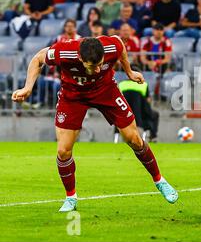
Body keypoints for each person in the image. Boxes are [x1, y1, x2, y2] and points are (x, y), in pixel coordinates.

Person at [12, 35, 179, 212]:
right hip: (73, 96)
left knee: (134, 138)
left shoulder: (110, 47)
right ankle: (71, 197)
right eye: (93, 66)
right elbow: (38, 58)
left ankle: (160, 180)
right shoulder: (64, 51)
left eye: (101, 64)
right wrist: (27, 87)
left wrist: (129, 71)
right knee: (63, 150)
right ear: (80, 59)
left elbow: (120, 44)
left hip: (105, 90)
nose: (98, 69)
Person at [117, 65, 160, 143]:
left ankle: (116, 137)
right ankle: (153, 137)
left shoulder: (121, 84)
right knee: (155, 114)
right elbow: (148, 100)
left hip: (123, 116)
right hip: (140, 116)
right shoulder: (143, 85)